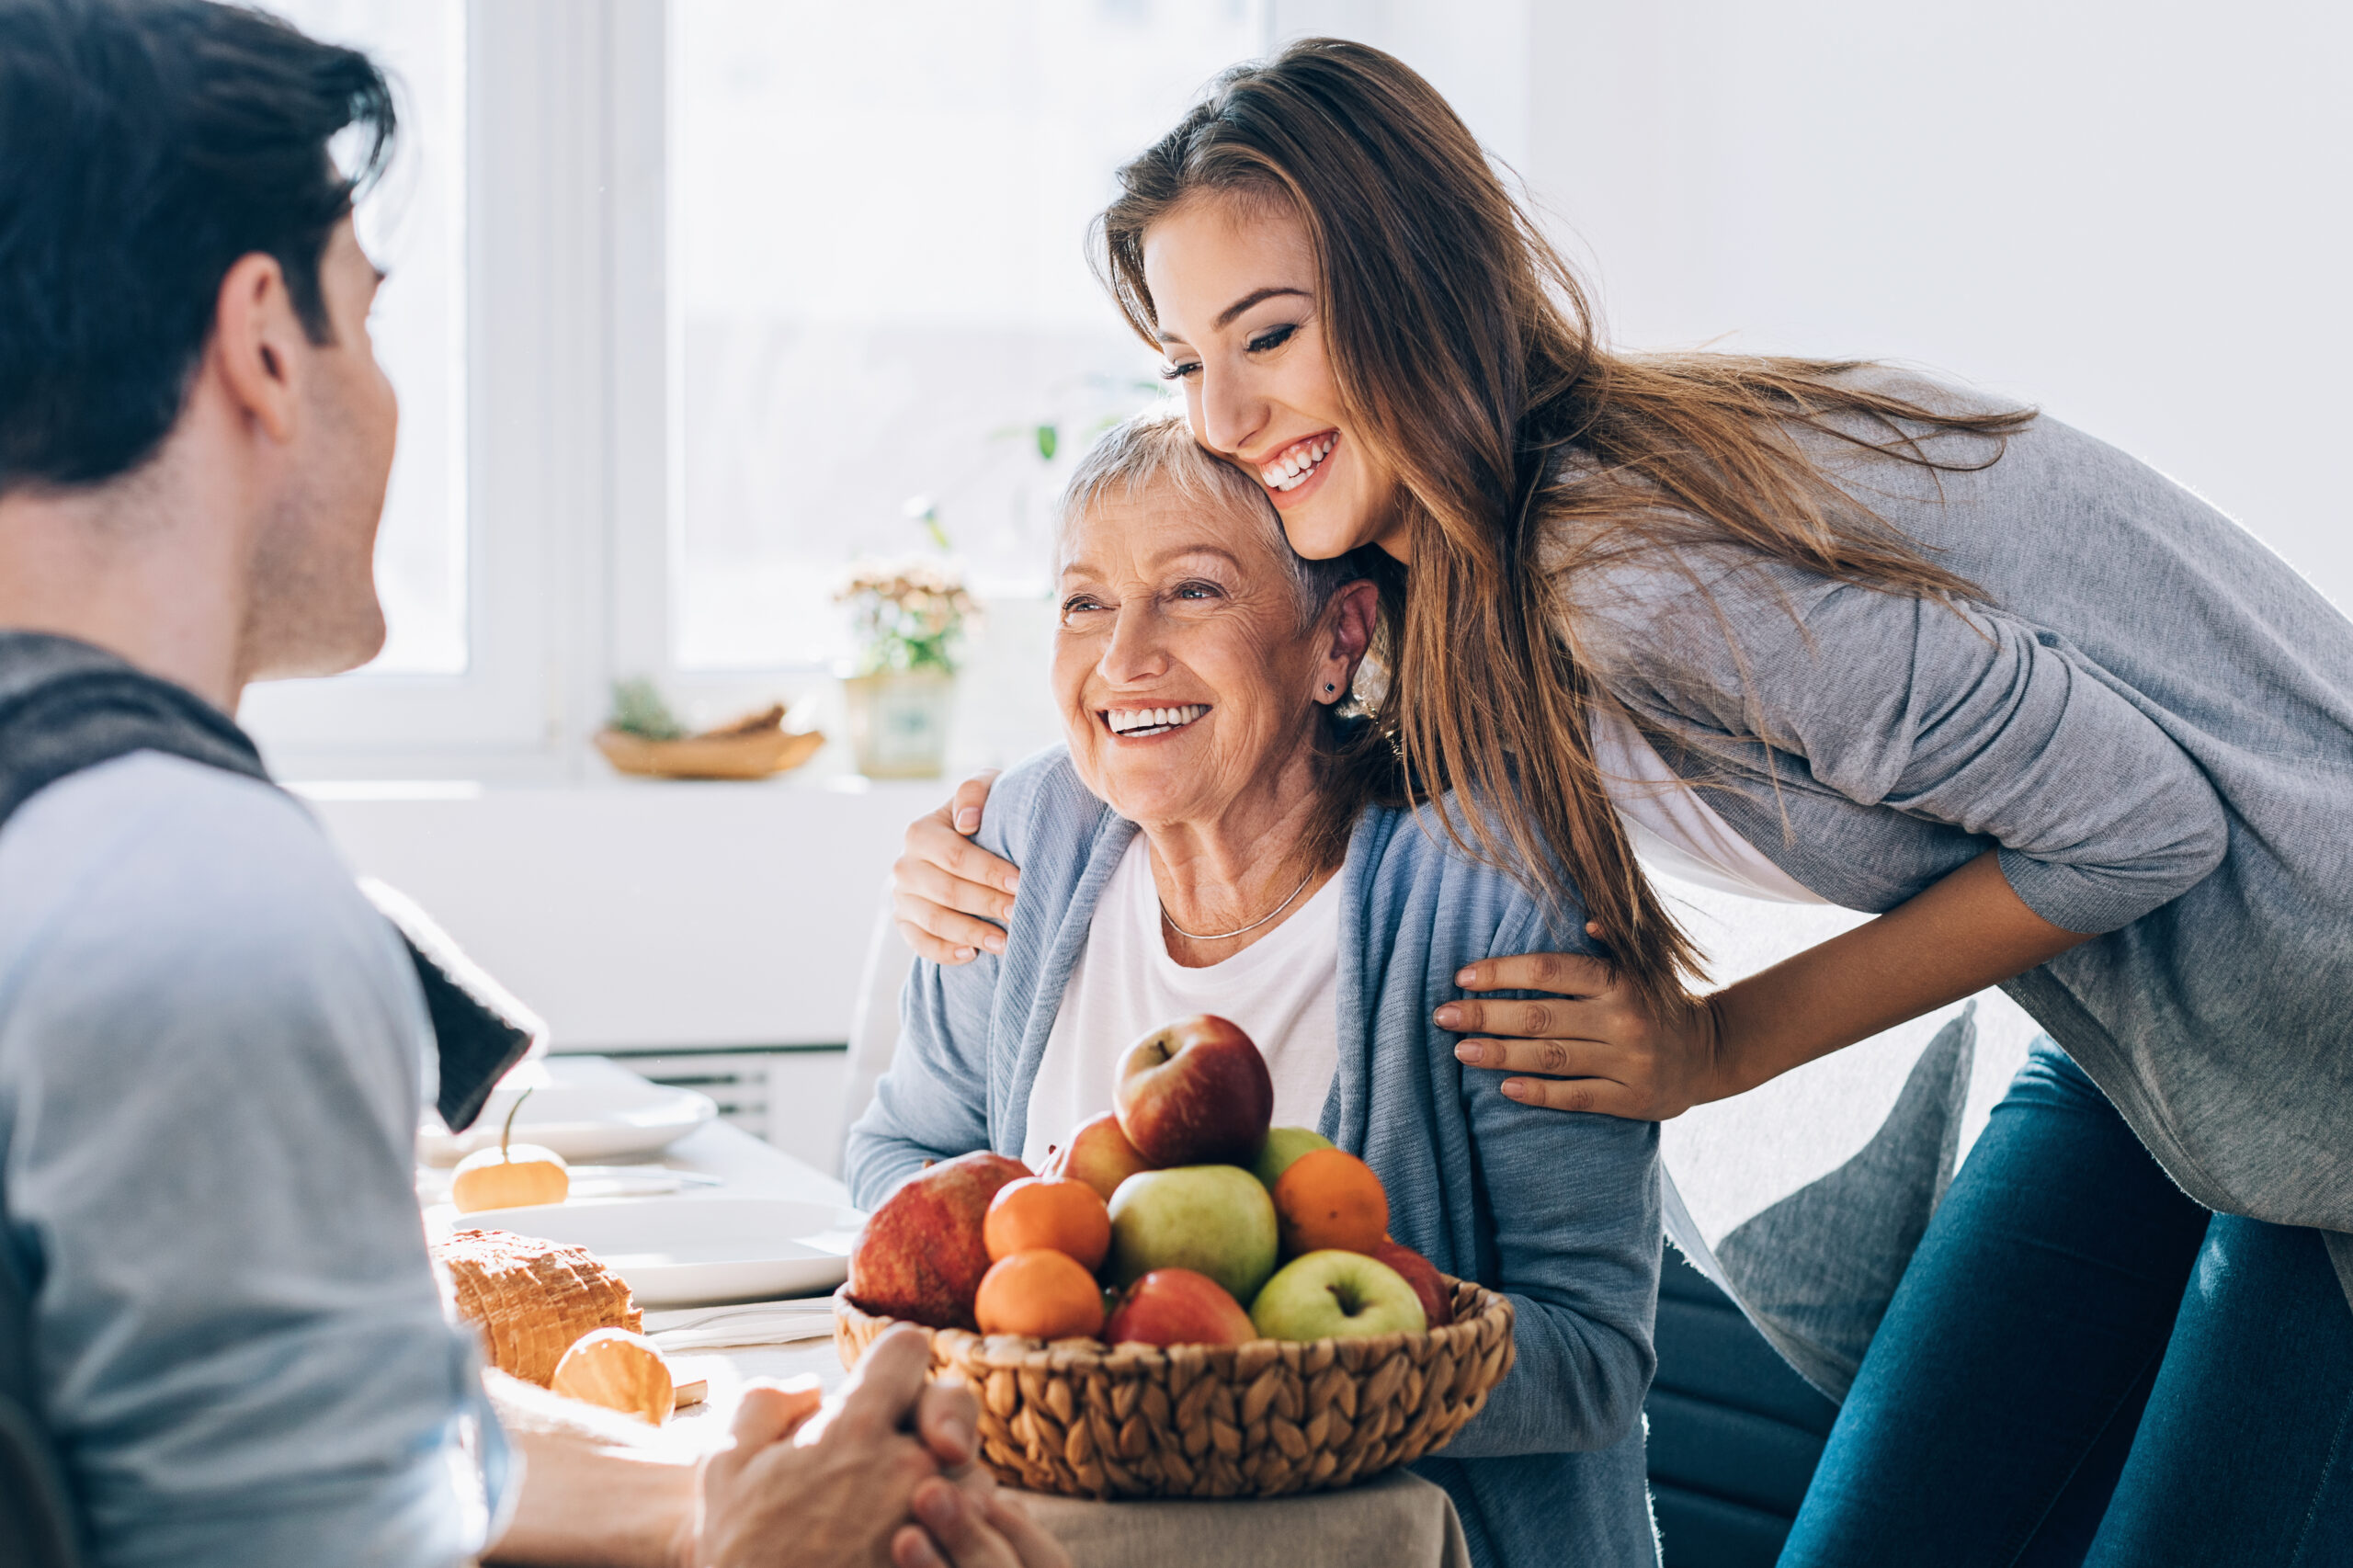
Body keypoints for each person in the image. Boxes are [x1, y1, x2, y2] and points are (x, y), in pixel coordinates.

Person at [888, 36, 2353, 1568]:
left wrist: (1714, 1046)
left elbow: (2143, 824)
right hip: (2152, 1053)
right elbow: (1249, 712)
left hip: (2321, 1018)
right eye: (1187, 363)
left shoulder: (1623, 571)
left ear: (1417, 291)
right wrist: (988, 848)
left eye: (1269, 336)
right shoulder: (1468, 584)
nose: (1223, 417)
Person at [0, 5, 1067, 1567]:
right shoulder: (202, 904)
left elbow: (318, 1442)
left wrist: (716, 1492)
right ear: (264, 343)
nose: (387, 400)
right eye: (364, 322)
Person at [848, 410, 1664, 1568]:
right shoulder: (1019, 842)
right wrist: (1042, 1302)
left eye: (1190, 592)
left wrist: (1253, 1376)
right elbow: (898, 1158)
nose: (1123, 658)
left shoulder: (1495, 901)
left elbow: (1591, 1357)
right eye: (1084, 601)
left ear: (1338, 638)